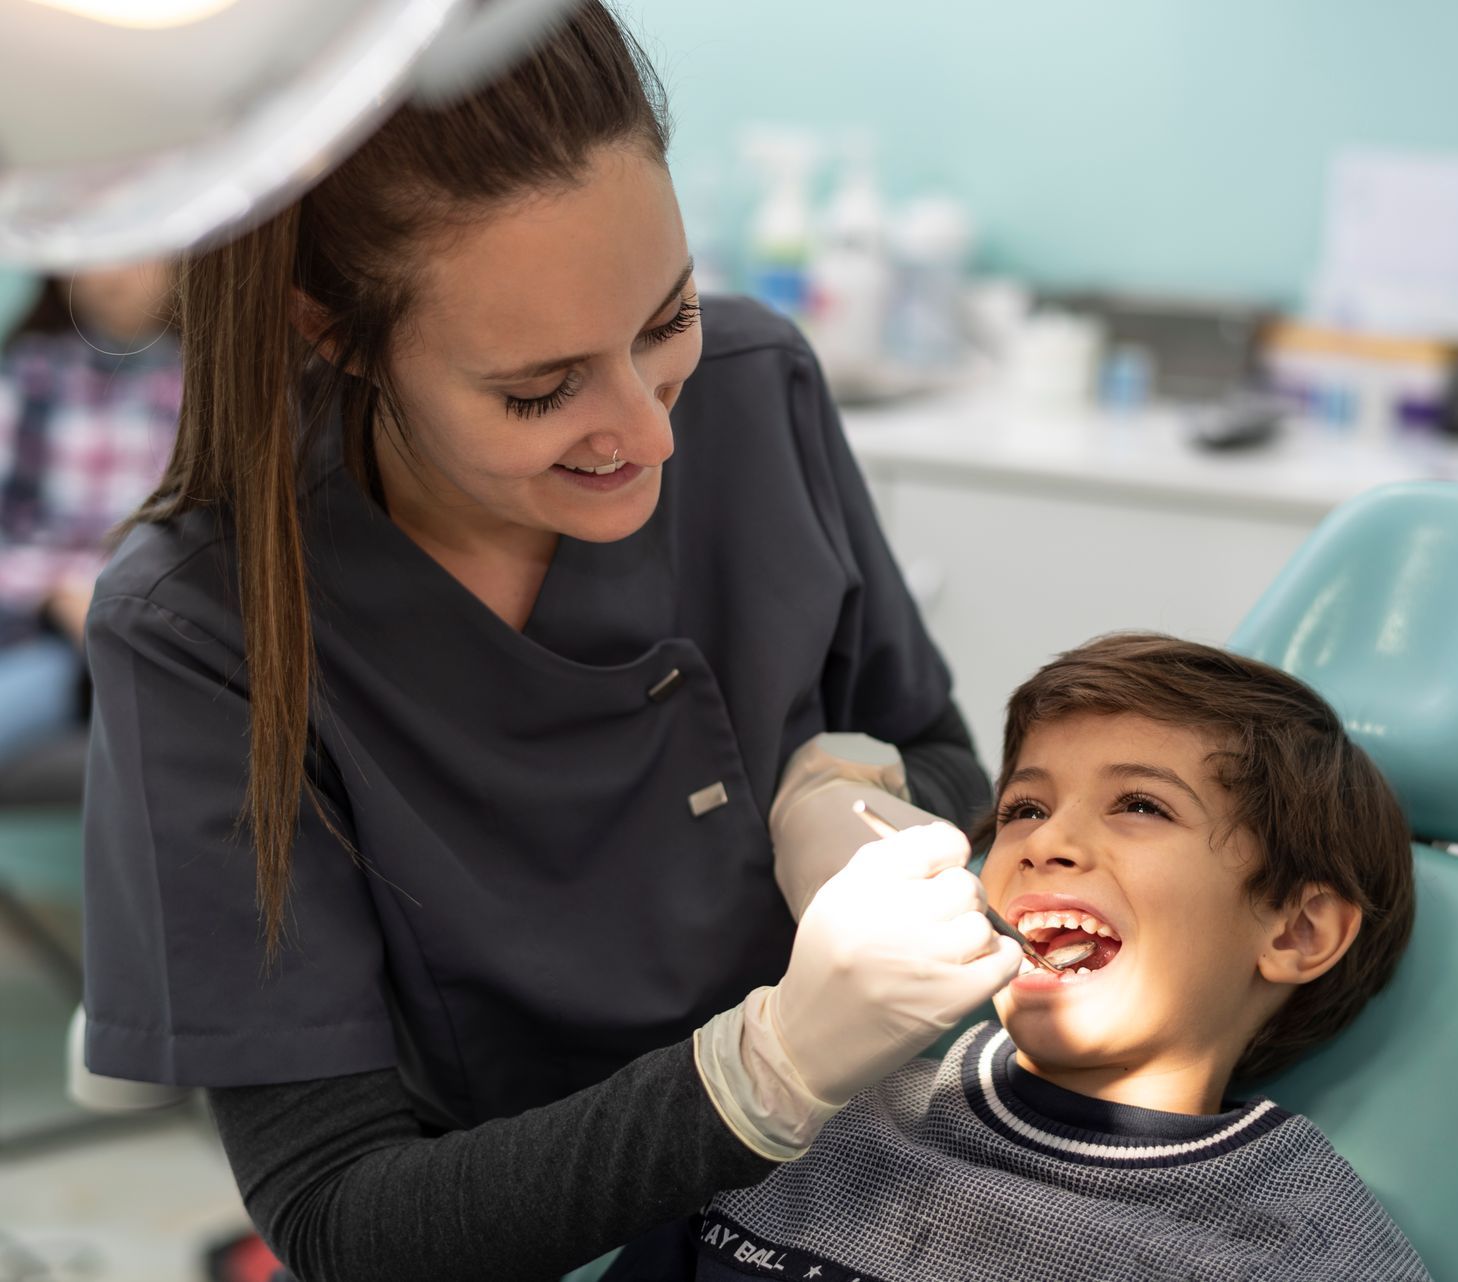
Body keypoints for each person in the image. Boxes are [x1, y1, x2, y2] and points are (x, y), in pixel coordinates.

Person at [78, 6, 1020, 1280]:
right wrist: (767, 1072)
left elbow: (949, 757)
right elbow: (339, 1214)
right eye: (541, 389)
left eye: (664, 319)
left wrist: (856, 796)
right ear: (333, 331)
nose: (648, 432)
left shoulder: (756, 386)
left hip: (870, 1197)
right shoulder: (203, 626)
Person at [621, 634, 1429, 1281]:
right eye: (1025, 806)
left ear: (1297, 934)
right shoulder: (818, 1120)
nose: (1045, 841)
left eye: (1141, 805)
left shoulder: (1301, 1250)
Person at [0, 262, 178, 771]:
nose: (111, 274)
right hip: (45, 641)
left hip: (163, 633)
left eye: (137, 253)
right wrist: (64, 593)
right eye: (91, 255)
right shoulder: (31, 375)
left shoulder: (211, 388)